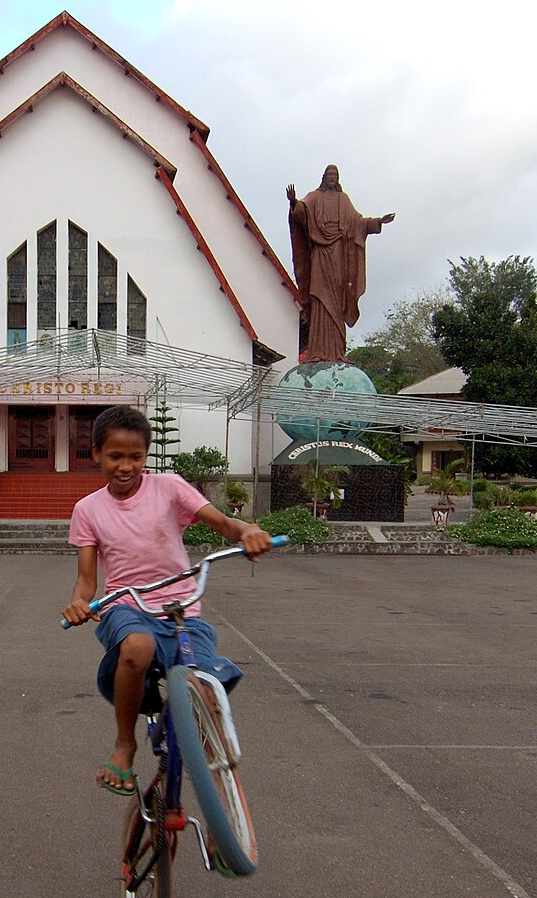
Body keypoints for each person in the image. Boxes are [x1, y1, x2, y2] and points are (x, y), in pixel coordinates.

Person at [62, 406, 271, 796]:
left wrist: (248, 530)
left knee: (205, 691)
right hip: (127, 608)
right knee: (137, 647)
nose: (126, 466)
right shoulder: (87, 510)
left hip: (181, 608)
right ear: (95, 454)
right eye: (115, 456)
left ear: (146, 456)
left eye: (135, 457)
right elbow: (87, 581)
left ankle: (222, 805)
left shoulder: (170, 487)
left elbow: (226, 524)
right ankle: (125, 744)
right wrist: (78, 603)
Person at [287, 165, 395, 363]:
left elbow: (358, 222)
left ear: (338, 179)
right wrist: (294, 203)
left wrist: (378, 221)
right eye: (329, 175)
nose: (332, 178)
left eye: (335, 175)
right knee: (319, 297)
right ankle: (317, 351)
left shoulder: (343, 200)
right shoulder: (315, 197)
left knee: (336, 299)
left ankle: (337, 351)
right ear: (324, 177)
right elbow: (303, 211)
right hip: (320, 253)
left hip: (338, 254)